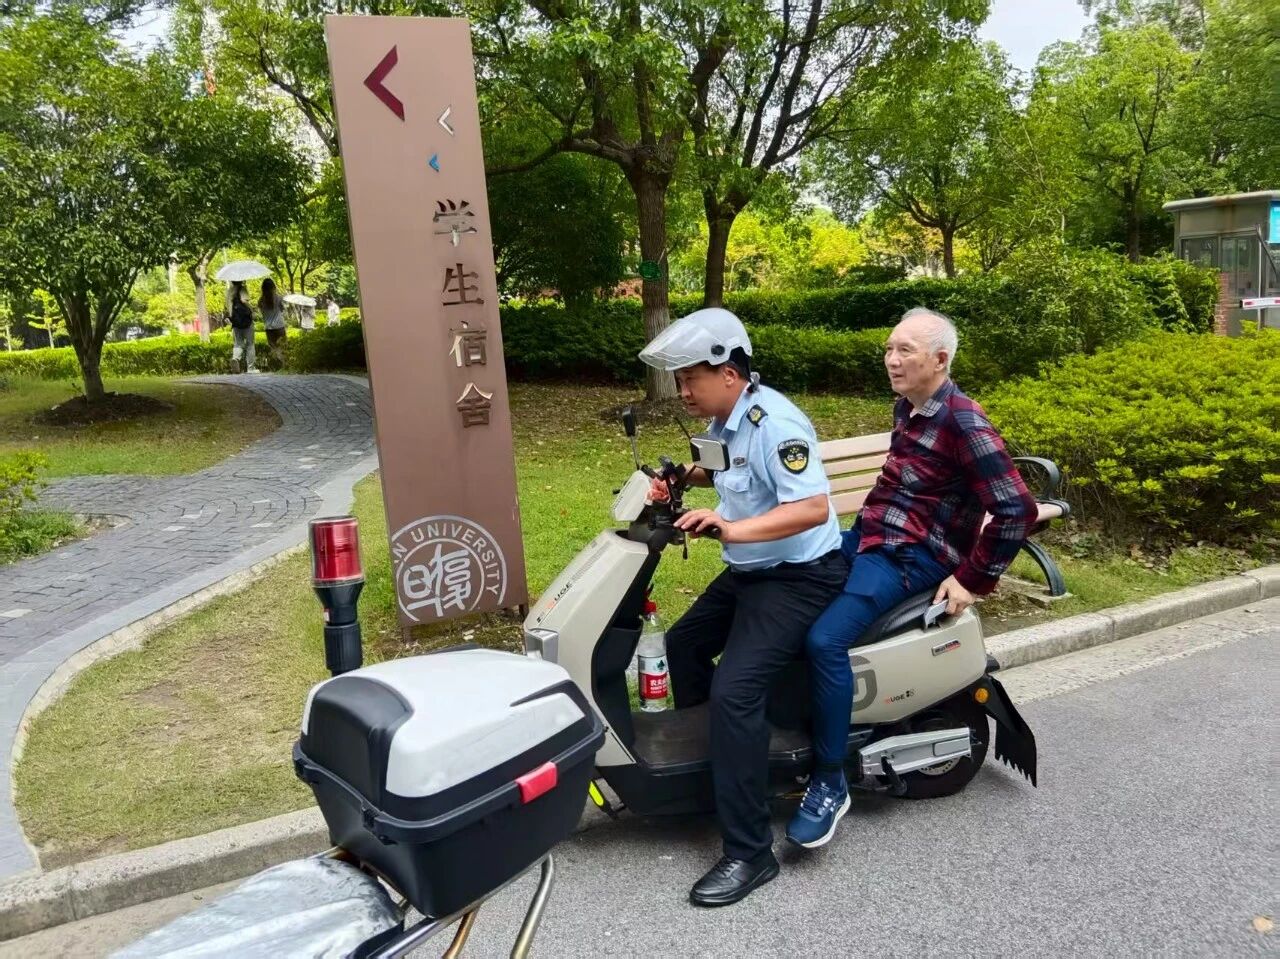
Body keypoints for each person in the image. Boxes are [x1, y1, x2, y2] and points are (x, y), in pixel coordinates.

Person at [785, 307, 1039, 850]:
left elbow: (1017, 509)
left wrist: (971, 581)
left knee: (826, 640)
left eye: (905, 351)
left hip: (911, 556)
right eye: (888, 348)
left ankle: (829, 783)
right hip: (870, 538)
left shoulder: (963, 422)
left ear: (940, 360)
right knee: (785, 592)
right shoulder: (910, 406)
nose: (891, 360)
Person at [640, 308, 848, 907]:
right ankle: (719, 772)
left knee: (735, 693)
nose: (683, 391)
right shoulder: (727, 419)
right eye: (680, 380)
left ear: (728, 373)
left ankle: (751, 852)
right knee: (682, 646)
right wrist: (680, 478)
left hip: (799, 578)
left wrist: (730, 528)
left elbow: (810, 508)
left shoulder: (776, 423)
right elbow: (722, 468)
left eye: (690, 379)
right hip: (753, 573)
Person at [226, 280, 256, 373]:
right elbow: (244, 300)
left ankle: (235, 358)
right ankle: (250, 368)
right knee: (250, 344)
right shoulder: (243, 289)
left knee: (238, 343)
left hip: (235, 321)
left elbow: (228, 307)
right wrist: (251, 309)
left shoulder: (229, 291)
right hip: (246, 321)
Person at [260, 278, 286, 367]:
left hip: (269, 328)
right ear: (273, 287)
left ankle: (277, 365)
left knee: (273, 348)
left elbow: (262, 313)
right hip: (280, 326)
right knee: (283, 347)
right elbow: (282, 310)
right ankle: (284, 364)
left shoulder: (261, 300)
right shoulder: (279, 298)